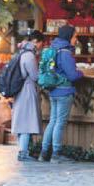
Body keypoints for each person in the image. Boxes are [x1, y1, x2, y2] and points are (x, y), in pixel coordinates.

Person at [39, 24, 84, 164]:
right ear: (69, 36)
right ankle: (56, 154)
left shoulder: (54, 49)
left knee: (53, 121)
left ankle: (44, 153)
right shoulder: (65, 52)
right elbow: (72, 76)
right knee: (59, 123)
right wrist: (80, 73)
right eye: (75, 36)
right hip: (64, 91)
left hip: (53, 91)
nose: (76, 39)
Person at [10, 29, 45, 161]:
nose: (41, 46)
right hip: (27, 90)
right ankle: (23, 152)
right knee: (26, 122)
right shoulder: (29, 55)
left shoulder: (22, 52)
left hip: (20, 91)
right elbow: (35, 76)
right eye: (41, 43)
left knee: (22, 121)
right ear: (36, 42)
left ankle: (22, 150)